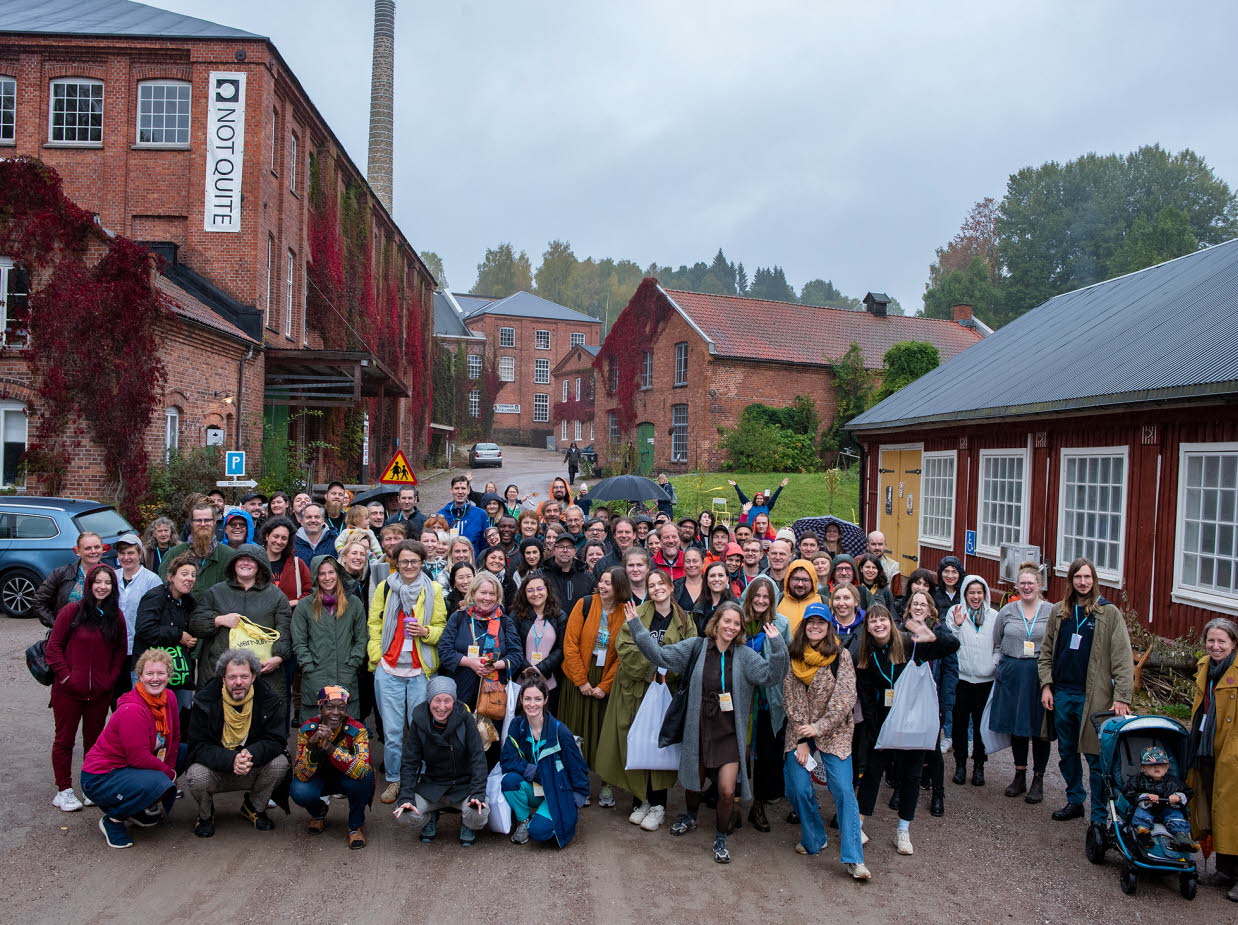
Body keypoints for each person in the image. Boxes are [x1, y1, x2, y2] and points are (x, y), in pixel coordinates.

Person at [625, 600, 789, 863]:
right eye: (727, 621)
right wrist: (637, 627)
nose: (731, 627)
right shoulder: (696, 647)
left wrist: (778, 647)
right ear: (716, 622)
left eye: (737, 623)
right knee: (693, 780)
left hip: (728, 733)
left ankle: (721, 837)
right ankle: (690, 816)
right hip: (698, 728)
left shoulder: (745, 656)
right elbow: (661, 656)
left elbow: (772, 677)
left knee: (726, 791)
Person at [854, 598, 959, 856]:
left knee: (911, 775)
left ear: (891, 622)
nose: (878, 624)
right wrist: (873, 728)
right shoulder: (864, 655)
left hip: (912, 722)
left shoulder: (912, 644)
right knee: (871, 774)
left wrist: (931, 635)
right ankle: (858, 824)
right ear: (867, 627)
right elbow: (866, 696)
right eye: (873, 620)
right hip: (883, 723)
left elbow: (952, 646)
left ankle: (903, 829)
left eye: (883, 619)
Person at [596, 568, 696, 832]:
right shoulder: (637, 614)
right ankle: (641, 800)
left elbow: (690, 652)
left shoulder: (685, 619)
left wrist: (666, 670)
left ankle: (659, 805)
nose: (656, 589)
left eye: (660, 583)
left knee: (660, 745)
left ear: (671, 586)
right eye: (651, 586)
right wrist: (653, 669)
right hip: (636, 690)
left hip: (666, 692)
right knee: (637, 741)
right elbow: (624, 646)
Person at [1037, 557, 1134, 826]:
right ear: (1070, 581)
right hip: (1062, 694)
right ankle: (1075, 800)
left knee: (1095, 756)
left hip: (1094, 697)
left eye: (1087, 577)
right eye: (1078, 577)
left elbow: (1123, 658)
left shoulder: (1108, 613)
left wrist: (1122, 697)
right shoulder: (1059, 612)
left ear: (1094, 580)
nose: (1083, 582)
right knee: (1067, 752)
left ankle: (1099, 815)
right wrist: (1046, 685)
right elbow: (1045, 653)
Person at [782, 606, 869, 880]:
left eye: (821, 622)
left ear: (828, 626)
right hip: (800, 732)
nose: (815, 626)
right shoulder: (793, 654)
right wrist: (804, 738)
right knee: (796, 785)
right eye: (811, 622)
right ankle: (814, 837)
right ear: (804, 625)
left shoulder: (839, 656)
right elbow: (791, 700)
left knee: (843, 789)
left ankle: (854, 858)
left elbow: (844, 699)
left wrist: (818, 728)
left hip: (835, 732)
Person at [368, 539, 447, 804]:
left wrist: (425, 632)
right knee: (391, 733)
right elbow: (374, 623)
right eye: (404, 561)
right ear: (396, 563)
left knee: (420, 729)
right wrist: (377, 656)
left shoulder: (434, 589)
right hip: (389, 669)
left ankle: (420, 779)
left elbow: (442, 627)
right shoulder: (385, 587)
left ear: (422, 563)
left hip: (419, 671)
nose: (409, 566)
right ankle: (394, 780)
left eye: (414, 561)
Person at [46, 564, 128, 812]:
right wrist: (66, 678)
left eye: (108, 583)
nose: (102, 587)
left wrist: (109, 680)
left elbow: (119, 653)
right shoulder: (71, 611)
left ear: (113, 587)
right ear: (89, 584)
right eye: (98, 582)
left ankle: (90, 787)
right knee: (64, 740)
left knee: (94, 742)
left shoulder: (116, 616)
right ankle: (64, 790)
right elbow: (53, 647)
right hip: (68, 691)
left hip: (99, 693)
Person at [184, 648, 290, 837]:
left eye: (244, 676)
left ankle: (254, 807)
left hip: (250, 766)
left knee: (281, 762)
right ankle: (206, 816)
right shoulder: (204, 700)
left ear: (254, 677)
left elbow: (276, 740)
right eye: (232, 677)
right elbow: (197, 746)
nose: (239, 682)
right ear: (222, 679)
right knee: (195, 775)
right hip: (217, 770)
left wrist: (251, 754)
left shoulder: (269, 699)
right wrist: (231, 759)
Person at [81, 648, 181, 848]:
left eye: (161, 673)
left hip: (129, 767)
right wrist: (168, 774)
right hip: (101, 776)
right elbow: (139, 758)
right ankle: (114, 819)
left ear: (169, 676)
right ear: (140, 676)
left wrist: (171, 769)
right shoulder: (132, 709)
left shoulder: (168, 697)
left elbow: (175, 737)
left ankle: (137, 807)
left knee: (183, 754)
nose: (155, 679)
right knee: (159, 781)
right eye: (149, 673)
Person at [560, 567, 630, 807]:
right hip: (579, 678)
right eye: (601, 581)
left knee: (604, 735)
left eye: (609, 583)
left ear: (619, 586)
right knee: (576, 734)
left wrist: (605, 686)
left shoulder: (626, 612)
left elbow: (624, 653)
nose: (603, 586)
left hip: (606, 680)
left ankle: (606, 785)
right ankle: (579, 785)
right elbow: (570, 644)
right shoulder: (585, 604)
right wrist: (581, 681)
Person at [188, 544, 293, 702]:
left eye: (251, 560)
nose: (245, 563)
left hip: (263, 673)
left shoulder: (276, 595)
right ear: (233, 563)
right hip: (219, 672)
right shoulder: (216, 592)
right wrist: (219, 620)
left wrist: (278, 658)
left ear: (260, 565)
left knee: (260, 721)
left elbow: (284, 630)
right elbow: (195, 624)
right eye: (241, 559)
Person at [393, 675, 490, 845]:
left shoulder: (466, 719)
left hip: (463, 786)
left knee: (478, 812)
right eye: (437, 700)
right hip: (433, 786)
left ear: (454, 700)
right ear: (429, 700)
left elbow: (478, 759)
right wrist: (406, 797)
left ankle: (468, 824)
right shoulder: (419, 720)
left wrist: (478, 793)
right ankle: (430, 817)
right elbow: (410, 762)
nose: (442, 707)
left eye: (448, 700)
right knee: (405, 815)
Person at [500, 674, 591, 846]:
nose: (532, 704)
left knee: (539, 832)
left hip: (557, 789)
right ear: (521, 699)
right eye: (527, 698)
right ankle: (524, 820)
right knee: (509, 781)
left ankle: (552, 815)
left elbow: (576, 767)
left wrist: (577, 797)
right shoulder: (517, 725)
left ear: (546, 699)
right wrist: (536, 772)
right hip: (536, 786)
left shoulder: (560, 732)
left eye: (537, 699)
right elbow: (507, 760)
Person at [988, 562, 1052, 802]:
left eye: (1031, 583)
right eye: (1022, 583)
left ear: (1039, 586)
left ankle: (1038, 779)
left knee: (1039, 729)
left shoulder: (1051, 611)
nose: (1026, 587)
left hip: (1039, 674)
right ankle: (1019, 775)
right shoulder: (1007, 611)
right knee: (1018, 727)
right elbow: (997, 641)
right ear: (1016, 586)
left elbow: (1055, 643)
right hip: (1013, 673)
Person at [1186, 617, 1238, 899]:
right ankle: (1225, 870)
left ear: (1233, 644)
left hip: (1232, 751)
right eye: (1211, 641)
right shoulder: (1206, 665)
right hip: (1207, 747)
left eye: (1222, 642)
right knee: (1215, 808)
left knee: (1234, 813)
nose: (1216, 646)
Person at [291, 685, 375, 849]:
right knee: (299, 790)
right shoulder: (307, 729)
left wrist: (330, 747)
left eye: (341, 708)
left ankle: (355, 826)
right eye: (329, 707)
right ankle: (318, 813)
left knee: (366, 777)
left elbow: (362, 769)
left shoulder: (357, 730)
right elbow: (301, 774)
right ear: (320, 708)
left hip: (346, 778)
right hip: (319, 779)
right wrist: (312, 745)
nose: (336, 713)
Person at [739, 575, 790, 831]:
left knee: (766, 754)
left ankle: (758, 804)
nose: (760, 600)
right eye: (756, 595)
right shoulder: (738, 620)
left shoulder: (781, 624)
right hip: (740, 697)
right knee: (738, 750)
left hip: (768, 700)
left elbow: (785, 664)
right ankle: (733, 799)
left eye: (766, 597)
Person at [291, 556, 368, 722]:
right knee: (314, 733)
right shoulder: (305, 606)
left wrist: (353, 662)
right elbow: (299, 641)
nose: (327, 578)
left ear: (338, 573)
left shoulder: (353, 603)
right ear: (315, 577)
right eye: (321, 574)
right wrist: (308, 666)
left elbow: (361, 638)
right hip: (316, 676)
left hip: (345, 674)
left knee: (348, 732)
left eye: (331, 572)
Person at [438, 572, 524, 714]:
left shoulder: (504, 621)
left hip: (493, 696)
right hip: (461, 688)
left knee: (489, 735)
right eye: (483, 592)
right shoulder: (459, 618)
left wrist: (492, 665)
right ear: (473, 593)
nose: (487, 598)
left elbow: (516, 655)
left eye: (492, 594)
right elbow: (444, 651)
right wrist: (469, 662)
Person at [133, 553, 200, 726]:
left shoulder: (189, 603)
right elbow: (144, 628)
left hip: (178, 672)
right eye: (184, 574)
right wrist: (178, 635)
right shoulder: (155, 597)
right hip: (151, 670)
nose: (189, 579)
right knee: (149, 721)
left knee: (176, 720)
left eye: (193, 575)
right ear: (171, 576)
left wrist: (190, 640)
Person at [945, 575, 998, 787]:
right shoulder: (956, 612)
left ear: (984, 594)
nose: (975, 596)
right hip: (961, 678)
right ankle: (960, 764)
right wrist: (957, 626)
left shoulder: (995, 616)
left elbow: (999, 645)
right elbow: (949, 643)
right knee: (959, 725)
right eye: (971, 592)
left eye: (979, 592)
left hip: (985, 680)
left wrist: (992, 664)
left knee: (980, 726)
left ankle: (979, 765)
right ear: (965, 594)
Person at [1122, 745, 1198, 852]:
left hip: (1166, 809)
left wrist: (1178, 796)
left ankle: (1181, 836)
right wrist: (1145, 797)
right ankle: (1143, 832)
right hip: (1147, 809)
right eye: (1152, 765)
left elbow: (1188, 792)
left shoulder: (1173, 781)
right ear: (1143, 768)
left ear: (1167, 768)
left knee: (1177, 814)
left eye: (1161, 765)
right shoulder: (1137, 780)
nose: (1157, 767)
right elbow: (1128, 792)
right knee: (1138, 812)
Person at [511, 574, 566, 709]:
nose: (536, 594)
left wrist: (539, 669)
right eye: (530, 590)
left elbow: (562, 648)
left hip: (550, 681)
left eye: (540, 589)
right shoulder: (516, 616)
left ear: (547, 590)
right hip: (521, 681)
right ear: (524, 593)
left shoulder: (559, 616)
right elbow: (513, 646)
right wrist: (528, 670)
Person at [113, 533, 162, 684]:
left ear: (140, 553)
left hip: (141, 649)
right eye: (122, 553)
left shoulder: (152, 580)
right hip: (115, 648)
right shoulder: (111, 577)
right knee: (117, 694)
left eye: (131, 553)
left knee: (139, 692)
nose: (126, 557)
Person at [33, 531, 107, 628]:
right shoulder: (61, 574)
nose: (93, 551)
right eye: (88, 548)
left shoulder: (110, 575)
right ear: (78, 552)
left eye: (97, 547)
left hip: (99, 636)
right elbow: (38, 600)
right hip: (68, 637)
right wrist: (56, 625)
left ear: (102, 549)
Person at [545, 532, 596, 617]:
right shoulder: (541, 575)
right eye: (561, 547)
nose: (565, 550)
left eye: (569, 547)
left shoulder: (588, 577)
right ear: (554, 550)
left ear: (575, 551)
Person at [261, 516, 311, 604]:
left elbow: (311, 591)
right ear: (267, 536)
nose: (279, 541)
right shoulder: (256, 563)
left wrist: (297, 602)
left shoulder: (297, 564)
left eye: (284, 538)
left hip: (291, 616)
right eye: (275, 536)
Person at [439, 474, 491, 555]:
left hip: (473, 564)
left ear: (468, 490)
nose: (460, 492)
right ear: (451, 490)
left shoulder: (480, 514)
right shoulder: (441, 515)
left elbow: (484, 544)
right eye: (456, 488)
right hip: (449, 563)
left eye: (463, 488)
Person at [777, 557, 823, 634]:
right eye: (796, 579)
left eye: (805, 580)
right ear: (788, 579)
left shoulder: (824, 602)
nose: (800, 584)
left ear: (813, 581)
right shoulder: (777, 600)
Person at [692, 560, 737, 636]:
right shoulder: (699, 605)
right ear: (707, 580)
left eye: (720, 575)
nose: (716, 579)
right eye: (712, 576)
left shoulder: (735, 605)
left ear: (727, 579)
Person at [675, 546, 706, 611]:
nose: (691, 565)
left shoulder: (710, 585)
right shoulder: (674, 586)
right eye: (688, 561)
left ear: (703, 563)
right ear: (683, 564)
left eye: (695, 561)